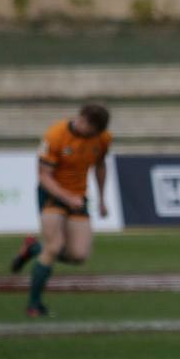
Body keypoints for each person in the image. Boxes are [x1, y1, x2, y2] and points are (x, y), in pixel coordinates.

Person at [10, 104, 112, 317]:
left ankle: (33, 248)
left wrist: (102, 198)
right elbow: (44, 175)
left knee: (79, 255)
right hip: (52, 195)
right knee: (54, 246)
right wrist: (67, 197)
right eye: (87, 126)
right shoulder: (55, 135)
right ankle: (34, 305)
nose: (88, 132)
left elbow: (100, 165)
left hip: (78, 196)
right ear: (81, 118)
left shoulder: (102, 138)